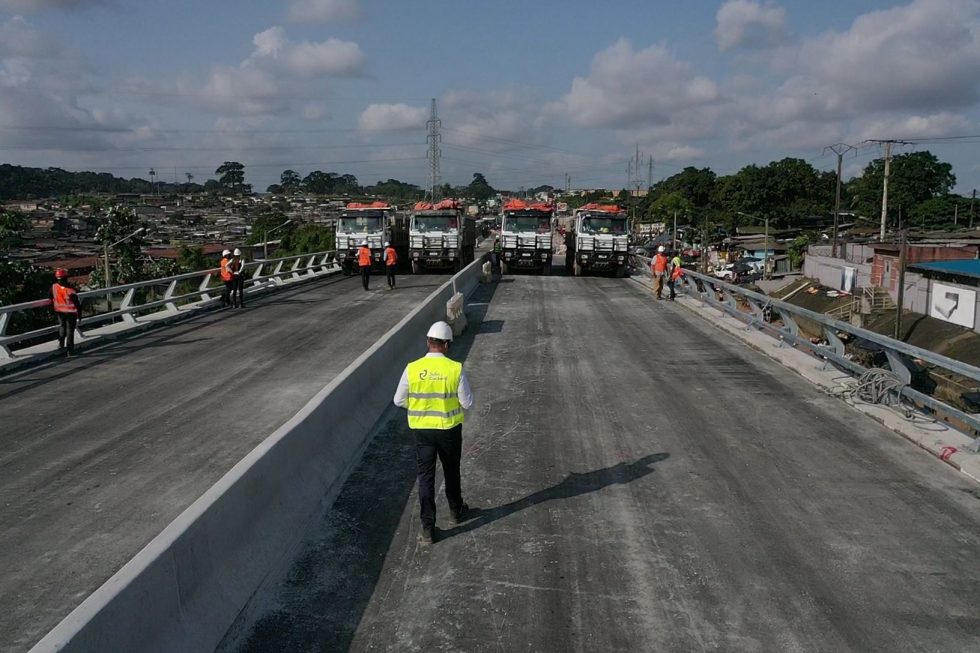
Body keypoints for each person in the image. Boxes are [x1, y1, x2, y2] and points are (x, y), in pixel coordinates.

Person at [393, 321, 474, 544]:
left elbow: (398, 400)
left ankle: (428, 528)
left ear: (428, 342)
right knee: (451, 471)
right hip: (448, 431)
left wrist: (420, 407)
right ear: (446, 345)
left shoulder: (413, 368)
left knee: (426, 477)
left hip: (423, 433)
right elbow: (466, 403)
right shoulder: (454, 368)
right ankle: (456, 511)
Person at [51, 268, 82, 356]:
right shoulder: (70, 290)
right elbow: (77, 304)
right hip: (70, 313)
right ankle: (70, 350)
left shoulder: (54, 287)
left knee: (62, 327)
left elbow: (50, 297)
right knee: (70, 332)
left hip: (59, 312)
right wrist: (80, 315)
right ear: (66, 277)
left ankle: (61, 344)